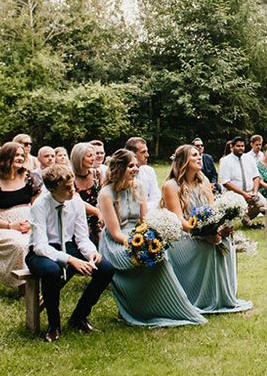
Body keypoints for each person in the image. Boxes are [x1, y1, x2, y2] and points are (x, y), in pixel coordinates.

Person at [98, 149, 206, 327]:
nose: (136, 169)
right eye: (131, 166)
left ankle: (168, 306)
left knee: (160, 257)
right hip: (116, 242)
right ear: (120, 168)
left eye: (136, 165)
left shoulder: (138, 186)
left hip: (140, 234)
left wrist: (150, 239)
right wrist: (136, 245)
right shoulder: (106, 194)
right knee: (143, 258)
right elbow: (116, 233)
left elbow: (144, 220)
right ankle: (138, 308)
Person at [26, 164, 115, 342]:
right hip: (40, 252)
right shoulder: (40, 206)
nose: (72, 190)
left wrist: (91, 253)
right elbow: (40, 246)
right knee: (52, 271)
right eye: (66, 188)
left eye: (73, 185)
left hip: (68, 245)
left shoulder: (75, 201)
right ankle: (54, 325)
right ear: (51, 189)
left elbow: (81, 237)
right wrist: (71, 260)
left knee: (106, 268)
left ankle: (79, 317)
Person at [162, 144, 253, 313]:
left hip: (204, 230)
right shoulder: (171, 186)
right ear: (183, 161)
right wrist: (202, 235)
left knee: (224, 241)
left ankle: (221, 297)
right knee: (208, 245)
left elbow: (213, 211)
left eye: (199, 155)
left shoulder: (203, 181)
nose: (199, 157)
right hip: (183, 235)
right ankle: (202, 297)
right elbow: (180, 220)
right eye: (194, 155)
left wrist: (218, 229)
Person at [0, 142, 43, 290]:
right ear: (6, 157)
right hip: (1, 227)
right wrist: (10, 226)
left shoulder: (30, 178)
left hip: (28, 223)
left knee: (40, 241)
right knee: (20, 245)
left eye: (23, 155)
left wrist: (31, 222)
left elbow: (37, 206)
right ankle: (23, 286)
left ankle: (40, 282)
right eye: (17, 155)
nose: (20, 158)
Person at [219, 136, 266, 224]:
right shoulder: (225, 161)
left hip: (251, 192)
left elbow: (256, 177)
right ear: (231, 147)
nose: (241, 148)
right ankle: (248, 223)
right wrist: (243, 194)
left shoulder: (249, 158)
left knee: (263, 205)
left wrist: (255, 192)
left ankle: (246, 218)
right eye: (238, 146)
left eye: (242, 146)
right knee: (238, 204)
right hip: (233, 193)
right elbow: (226, 183)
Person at [71, 142, 103, 245]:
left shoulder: (96, 174)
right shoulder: (70, 177)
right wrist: (97, 212)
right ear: (79, 158)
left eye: (93, 155)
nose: (93, 158)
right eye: (89, 156)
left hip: (98, 216)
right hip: (79, 218)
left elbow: (103, 195)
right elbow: (76, 201)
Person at [125, 137, 160, 210]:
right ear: (132, 154)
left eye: (147, 151)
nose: (147, 155)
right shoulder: (123, 174)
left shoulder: (149, 171)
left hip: (148, 213)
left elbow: (156, 197)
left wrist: (144, 210)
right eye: (143, 152)